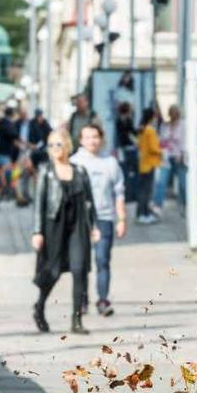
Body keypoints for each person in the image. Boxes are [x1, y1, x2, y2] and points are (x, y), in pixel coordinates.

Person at [31, 130, 100, 335]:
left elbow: (89, 202)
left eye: (58, 144)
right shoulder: (46, 171)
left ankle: (76, 319)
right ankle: (40, 307)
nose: (55, 149)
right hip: (54, 226)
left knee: (79, 270)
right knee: (52, 271)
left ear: (67, 146)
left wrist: (94, 226)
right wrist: (37, 231)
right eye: (51, 145)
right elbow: (39, 204)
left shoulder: (80, 171)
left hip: (78, 226)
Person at [71, 124, 126, 316]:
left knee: (102, 260)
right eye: (87, 137)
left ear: (101, 139)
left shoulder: (110, 162)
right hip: (80, 220)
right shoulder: (74, 162)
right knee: (81, 263)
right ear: (80, 140)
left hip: (104, 218)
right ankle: (82, 299)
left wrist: (121, 219)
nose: (92, 141)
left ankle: (103, 300)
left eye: (95, 137)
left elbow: (119, 192)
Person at [155, 104, 186, 210]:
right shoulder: (164, 126)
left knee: (183, 184)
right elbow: (160, 140)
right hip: (166, 157)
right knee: (161, 182)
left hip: (179, 157)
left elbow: (184, 141)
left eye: (174, 112)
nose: (172, 114)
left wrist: (182, 154)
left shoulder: (183, 125)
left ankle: (187, 205)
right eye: (171, 112)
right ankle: (158, 206)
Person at [135, 107, 162, 224]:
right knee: (147, 192)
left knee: (142, 191)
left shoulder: (142, 129)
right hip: (150, 164)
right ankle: (144, 214)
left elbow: (139, 145)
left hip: (143, 164)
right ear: (152, 117)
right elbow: (154, 148)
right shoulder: (150, 130)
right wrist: (162, 151)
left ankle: (141, 213)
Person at [114, 101, 139, 201]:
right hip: (127, 149)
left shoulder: (121, 120)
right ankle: (130, 195)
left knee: (126, 172)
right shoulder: (125, 120)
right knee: (129, 172)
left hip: (124, 149)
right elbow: (130, 133)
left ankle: (129, 195)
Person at [0, 106, 19, 183]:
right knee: (9, 173)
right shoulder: (6, 123)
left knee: (3, 173)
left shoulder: (3, 122)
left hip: (1, 152)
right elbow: (12, 134)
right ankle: (1, 190)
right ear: (12, 114)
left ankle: (0, 190)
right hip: (3, 152)